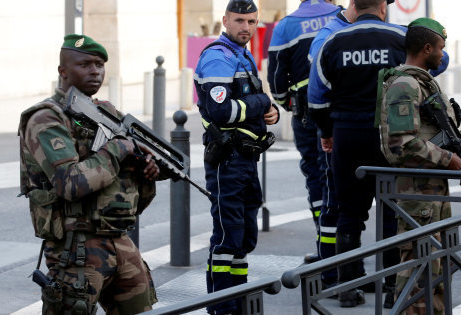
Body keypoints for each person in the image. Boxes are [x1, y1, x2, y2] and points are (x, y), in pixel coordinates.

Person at [18, 34, 160, 314]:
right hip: (75, 250)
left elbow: (130, 194)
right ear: (63, 71)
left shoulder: (104, 113)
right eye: (85, 64)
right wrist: (118, 149)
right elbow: (70, 184)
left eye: (99, 64)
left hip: (119, 239)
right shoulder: (46, 118)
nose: (95, 71)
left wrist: (145, 171)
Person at [307, 0, 407, 308]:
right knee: (391, 211)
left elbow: (316, 97)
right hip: (389, 136)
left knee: (349, 212)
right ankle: (393, 287)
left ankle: (347, 288)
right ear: (382, 7)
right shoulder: (401, 38)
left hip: (347, 136)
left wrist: (326, 133)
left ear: (354, 6)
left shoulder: (334, 41)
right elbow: (437, 62)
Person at [378, 17, 461, 314]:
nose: (443, 55)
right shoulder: (405, 84)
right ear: (427, 48)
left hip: (429, 185)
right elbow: (400, 141)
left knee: (434, 261)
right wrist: (448, 159)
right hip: (417, 186)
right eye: (441, 48)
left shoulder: (419, 82)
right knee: (419, 261)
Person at [194, 0, 280, 313]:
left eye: (251, 21)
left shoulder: (241, 56)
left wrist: (271, 112)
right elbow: (221, 111)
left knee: (243, 238)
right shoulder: (218, 56)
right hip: (228, 159)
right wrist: (261, 102)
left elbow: (252, 103)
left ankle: (238, 300)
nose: (245, 27)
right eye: (239, 20)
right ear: (225, 20)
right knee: (227, 237)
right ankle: (221, 306)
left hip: (246, 159)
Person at [266, 0, 340, 276]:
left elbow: (276, 77)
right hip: (337, 110)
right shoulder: (341, 17)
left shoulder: (286, 26)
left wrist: (287, 103)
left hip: (306, 112)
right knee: (336, 179)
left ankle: (325, 250)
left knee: (316, 179)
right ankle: (342, 253)